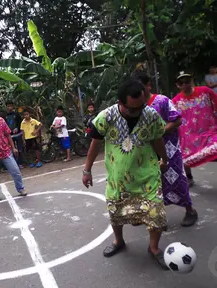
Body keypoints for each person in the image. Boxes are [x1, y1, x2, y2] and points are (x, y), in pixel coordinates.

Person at [82, 79, 169, 270]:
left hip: (148, 174)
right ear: (121, 103)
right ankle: (118, 241)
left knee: (155, 210)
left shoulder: (151, 115)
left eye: (141, 107)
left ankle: (154, 248)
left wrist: (164, 158)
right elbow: (95, 145)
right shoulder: (106, 117)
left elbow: (157, 139)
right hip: (118, 178)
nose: (138, 113)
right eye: (133, 109)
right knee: (115, 211)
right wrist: (86, 170)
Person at [134, 71, 198, 227]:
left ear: (148, 85)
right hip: (148, 151)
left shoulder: (162, 101)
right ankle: (157, 216)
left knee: (176, 179)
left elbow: (176, 120)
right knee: (151, 184)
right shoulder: (135, 106)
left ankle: (190, 211)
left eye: (141, 87)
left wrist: (159, 132)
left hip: (169, 149)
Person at [172, 71, 217, 185]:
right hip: (188, 137)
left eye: (187, 81)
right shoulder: (175, 102)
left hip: (209, 132)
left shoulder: (205, 92)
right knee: (185, 157)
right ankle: (189, 177)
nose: (184, 84)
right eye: (181, 83)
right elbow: (172, 119)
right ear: (178, 85)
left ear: (191, 81)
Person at [3, 100, 24, 168]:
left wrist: (17, 128)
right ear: (6, 107)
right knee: (12, 149)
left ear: (13, 106)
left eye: (11, 106)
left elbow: (20, 123)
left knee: (19, 149)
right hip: (9, 136)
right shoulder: (4, 115)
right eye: (8, 106)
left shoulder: (16, 114)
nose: (9, 107)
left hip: (18, 135)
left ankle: (20, 163)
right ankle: (14, 164)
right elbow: (3, 125)